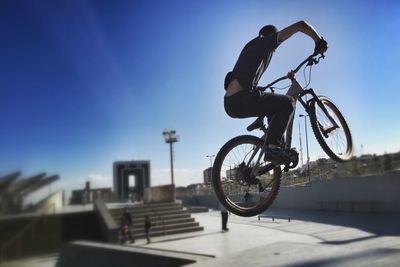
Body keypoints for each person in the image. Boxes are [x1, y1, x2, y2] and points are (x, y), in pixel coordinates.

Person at [224, 21, 328, 163]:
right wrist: (319, 41)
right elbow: (301, 25)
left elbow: (242, 77)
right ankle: (273, 148)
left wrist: (257, 88)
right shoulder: (265, 42)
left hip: (230, 103)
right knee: (288, 103)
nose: (275, 49)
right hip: (241, 99)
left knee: (272, 105)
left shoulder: (251, 47)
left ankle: (273, 141)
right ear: (271, 36)